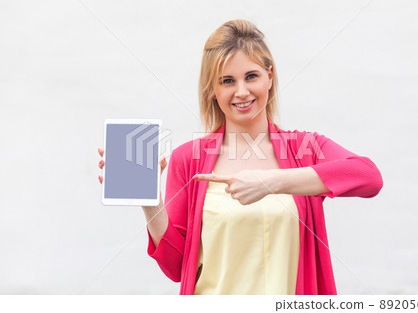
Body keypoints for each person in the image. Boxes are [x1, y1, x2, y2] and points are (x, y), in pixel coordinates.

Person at [97, 19, 383, 295]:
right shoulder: (189, 159)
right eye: (227, 81)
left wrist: (269, 182)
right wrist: (151, 202)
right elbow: (176, 268)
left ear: (270, 76)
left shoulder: (304, 148)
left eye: (251, 76)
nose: (242, 92)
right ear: (212, 89)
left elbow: (369, 177)